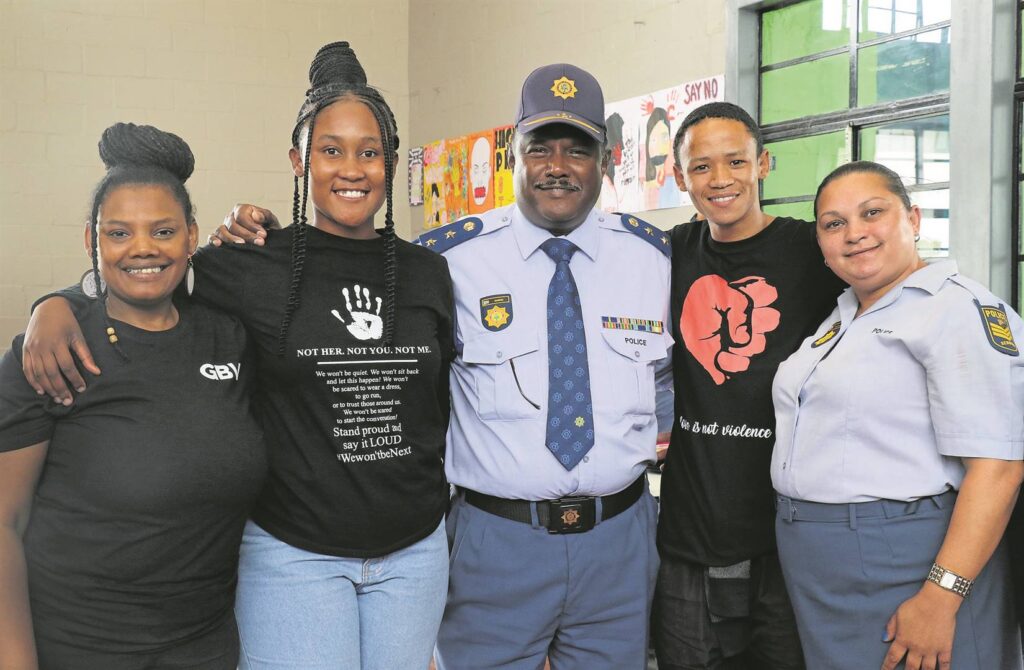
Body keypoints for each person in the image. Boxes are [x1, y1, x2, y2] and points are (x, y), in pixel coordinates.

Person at [20, 42, 455, 670]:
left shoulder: (429, 273)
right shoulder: (246, 264)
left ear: (390, 161)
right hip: (296, 553)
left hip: (415, 553)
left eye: (370, 151)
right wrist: (56, 301)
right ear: (299, 161)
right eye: (330, 150)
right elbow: (141, 270)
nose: (351, 168)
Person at [412, 62, 672, 670]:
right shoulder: (450, 260)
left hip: (620, 541)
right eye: (540, 148)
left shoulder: (651, 258)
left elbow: (666, 384)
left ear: (605, 161)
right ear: (514, 158)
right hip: (495, 542)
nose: (558, 165)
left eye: (578, 150)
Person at [0, 123, 266, 669]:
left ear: (192, 236)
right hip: (79, 649)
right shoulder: (51, 350)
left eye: (163, 231)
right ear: (91, 241)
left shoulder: (229, 337)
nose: (142, 248)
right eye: (118, 233)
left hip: (206, 649)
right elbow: (4, 523)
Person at [772, 160, 1024, 670]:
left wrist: (941, 597)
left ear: (912, 219)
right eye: (834, 223)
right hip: (824, 570)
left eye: (873, 213)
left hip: (909, 561)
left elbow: (998, 469)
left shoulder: (954, 311)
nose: (855, 233)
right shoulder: (845, 315)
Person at [654, 101, 845, 669]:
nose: (720, 180)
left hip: (791, 531)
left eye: (735, 161)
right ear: (682, 177)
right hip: (690, 529)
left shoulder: (814, 251)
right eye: (702, 166)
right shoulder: (666, 253)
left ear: (762, 164)